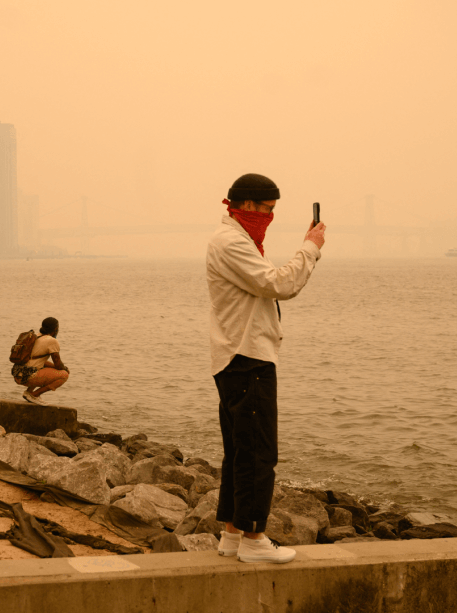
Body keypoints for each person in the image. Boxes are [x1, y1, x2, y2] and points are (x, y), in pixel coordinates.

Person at [206, 173, 326, 564]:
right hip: (248, 357)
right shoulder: (232, 243)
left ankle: (232, 534)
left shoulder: (239, 241)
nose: (270, 217)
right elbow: (278, 285)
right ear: (247, 205)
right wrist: (310, 248)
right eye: (267, 209)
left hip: (235, 357)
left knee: (239, 452)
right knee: (258, 453)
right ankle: (254, 538)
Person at [13, 317, 69, 406]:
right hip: (28, 376)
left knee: (42, 366)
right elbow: (58, 364)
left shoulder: (36, 336)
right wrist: (65, 369)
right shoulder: (52, 341)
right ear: (55, 329)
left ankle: (28, 393)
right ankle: (34, 395)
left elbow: (39, 362)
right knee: (64, 375)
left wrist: (54, 367)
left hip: (18, 374)